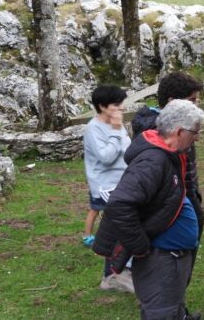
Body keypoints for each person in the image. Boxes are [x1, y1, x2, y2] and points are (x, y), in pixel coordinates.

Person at [93, 99, 204, 319]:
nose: (197, 137)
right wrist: (140, 246)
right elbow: (118, 204)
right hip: (161, 259)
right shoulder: (153, 162)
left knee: (171, 304)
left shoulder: (168, 153)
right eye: (195, 132)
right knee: (160, 311)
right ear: (179, 131)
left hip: (170, 258)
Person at [130, 72, 204, 318]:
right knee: (167, 273)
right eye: (192, 101)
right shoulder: (159, 141)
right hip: (169, 227)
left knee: (178, 275)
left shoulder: (175, 131)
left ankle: (178, 310)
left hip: (185, 209)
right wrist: (139, 245)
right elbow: (124, 202)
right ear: (173, 102)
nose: (197, 106)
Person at [82, 85, 133, 292]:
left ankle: (120, 272)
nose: (121, 108)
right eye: (116, 104)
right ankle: (113, 276)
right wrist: (115, 131)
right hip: (105, 185)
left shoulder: (116, 124)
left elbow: (127, 149)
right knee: (119, 228)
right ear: (102, 106)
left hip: (123, 182)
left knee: (124, 227)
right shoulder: (93, 128)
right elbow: (106, 157)